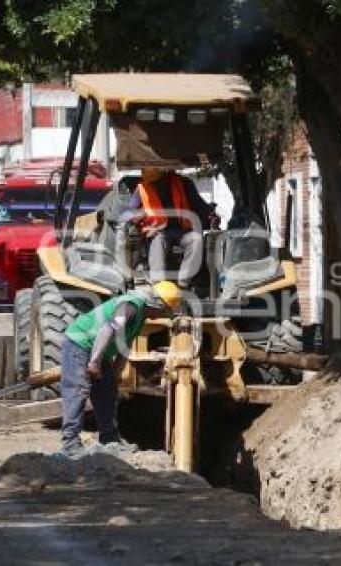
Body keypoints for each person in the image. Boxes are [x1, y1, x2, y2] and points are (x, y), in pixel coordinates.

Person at [59, 281, 182, 457]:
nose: (162, 316)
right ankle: (70, 444)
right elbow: (108, 330)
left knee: (107, 390)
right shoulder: (130, 306)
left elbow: (126, 343)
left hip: (99, 351)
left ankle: (109, 440)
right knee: (77, 391)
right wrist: (94, 362)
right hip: (80, 343)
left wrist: (115, 371)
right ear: (157, 304)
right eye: (164, 311)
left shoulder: (141, 315)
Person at [129, 168, 217, 289]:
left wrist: (210, 213)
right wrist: (138, 216)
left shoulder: (183, 183)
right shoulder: (141, 189)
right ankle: (159, 285)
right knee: (158, 241)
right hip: (158, 231)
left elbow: (199, 204)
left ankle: (183, 283)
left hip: (182, 231)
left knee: (196, 239)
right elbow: (131, 212)